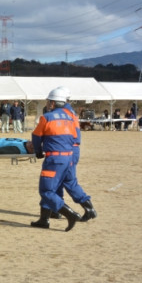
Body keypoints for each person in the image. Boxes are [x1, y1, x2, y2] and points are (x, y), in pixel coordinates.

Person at [30, 87, 83, 232]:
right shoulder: (71, 117)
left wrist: (38, 151)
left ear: (52, 103)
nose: (47, 104)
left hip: (54, 159)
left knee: (47, 190)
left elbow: (36, 137)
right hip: (68, 157)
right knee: (55, 187)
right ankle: (44, 220)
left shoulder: (46, 117)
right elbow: (75, 138)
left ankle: (69, 214)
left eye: (48, 101)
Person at [53, 86, 97, 222]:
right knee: (58, 180)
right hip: (70, 149)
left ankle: (88, 208)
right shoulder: (69, 111)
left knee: (68, 181)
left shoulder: (64, 113)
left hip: (68, 150)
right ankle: (56, 209)